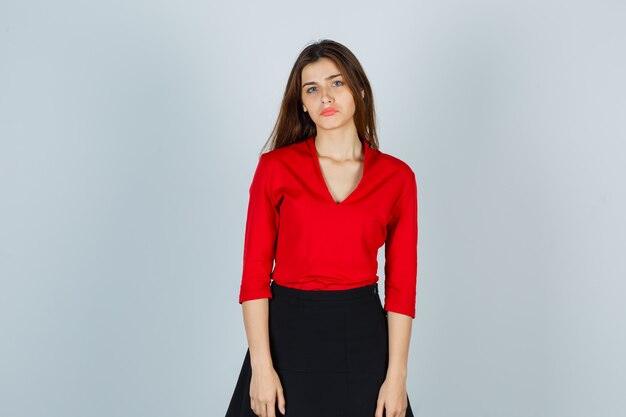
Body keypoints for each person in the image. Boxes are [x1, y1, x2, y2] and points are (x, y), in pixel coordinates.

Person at [225, 39, 418, 417]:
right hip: (285, 335)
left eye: (337, 83)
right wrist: (262, 368)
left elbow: (401, 290)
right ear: (301, 102)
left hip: (362, 334)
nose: (325, 97)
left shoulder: (397, 177)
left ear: (359, 90)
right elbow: (253, 278)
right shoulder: (275, 168)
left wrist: (397, 377)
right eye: (312, 89)